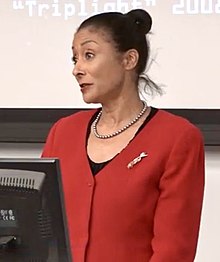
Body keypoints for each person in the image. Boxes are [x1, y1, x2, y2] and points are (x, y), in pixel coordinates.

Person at [42, 9, 205, 262]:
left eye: (89, 55)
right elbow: (39, 231)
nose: (77, 69)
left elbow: (174, 251)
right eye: (74, 59)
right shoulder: (62, 132)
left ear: (129, 60)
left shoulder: (178, 138)